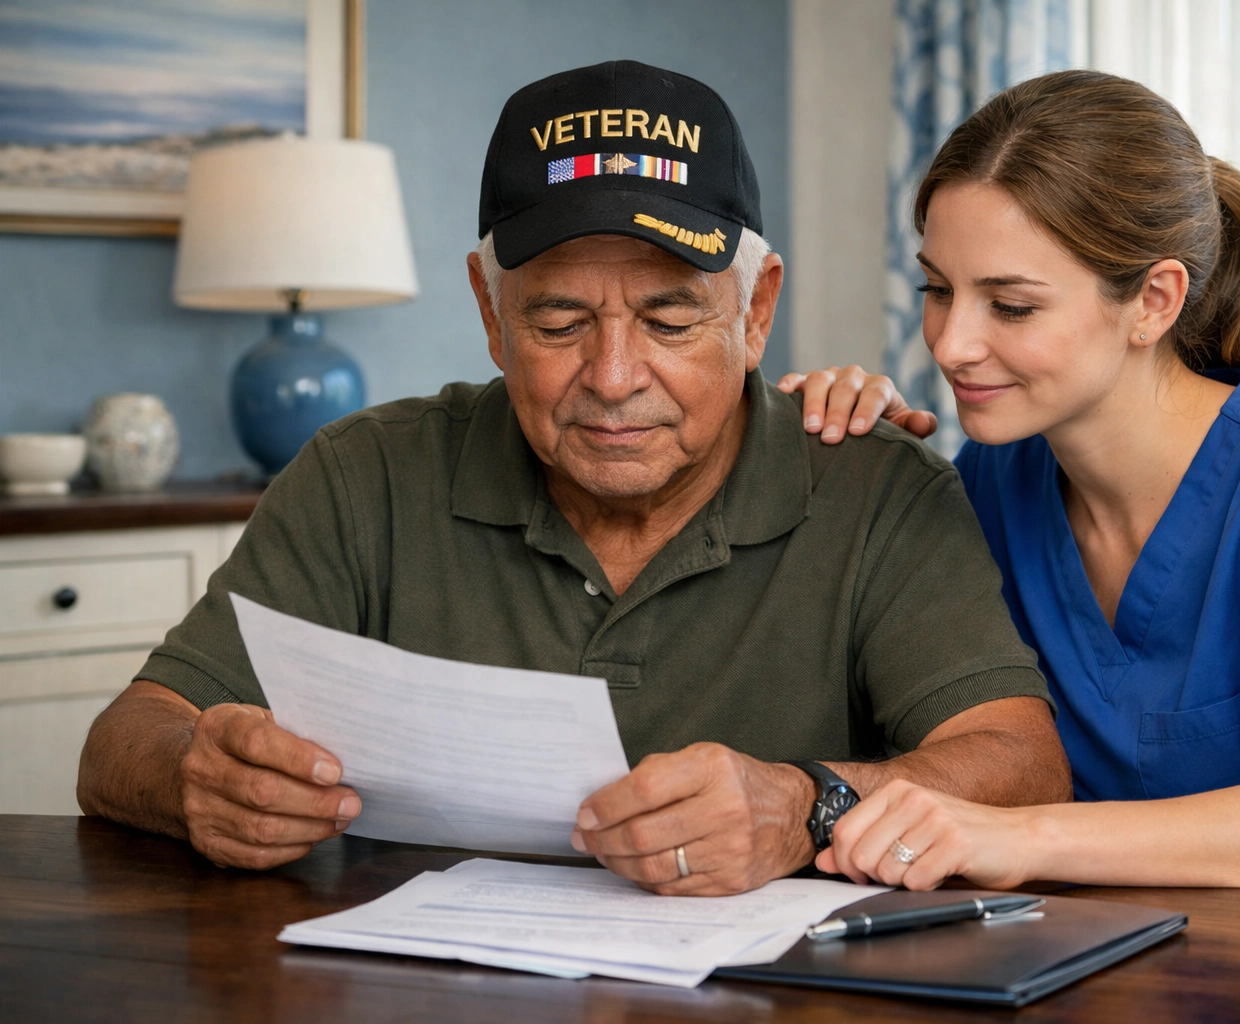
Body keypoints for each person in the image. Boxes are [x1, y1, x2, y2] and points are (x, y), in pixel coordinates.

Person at [75, 61, 1070, 894]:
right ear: (489, 310)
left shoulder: (877, 489)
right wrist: (194, 775)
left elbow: (1021, 765)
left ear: (756, 310)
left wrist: (807, 801)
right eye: (557, 323)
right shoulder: (365, 474)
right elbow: (129, 736)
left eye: (672, 321)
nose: (613, 377)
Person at [781, 69, 1240, 958]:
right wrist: (860, 475)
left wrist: (1017, 837)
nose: (950, 345)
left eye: (1011, 305)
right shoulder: (991, 480)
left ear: (1153, 302)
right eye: (937, 290)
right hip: (1179, 967)